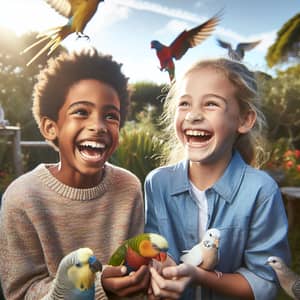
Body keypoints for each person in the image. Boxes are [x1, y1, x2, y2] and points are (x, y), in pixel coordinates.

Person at [0, 48, 149, 299]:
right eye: (81, 112)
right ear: (50, 127)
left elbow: (134, 267)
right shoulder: (23, 198)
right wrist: (99, 287)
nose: (98, 126)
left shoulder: (128, 187)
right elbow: (22, 292)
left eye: (111, 116)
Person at [144, 58, 291, 299]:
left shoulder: (261, 191)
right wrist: (158, 266)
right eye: (184, 104)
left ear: (244, 120)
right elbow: (155, 246)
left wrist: (199, 275)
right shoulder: (157, 183)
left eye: (211, 104)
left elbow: (265, 281)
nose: (193, 116)